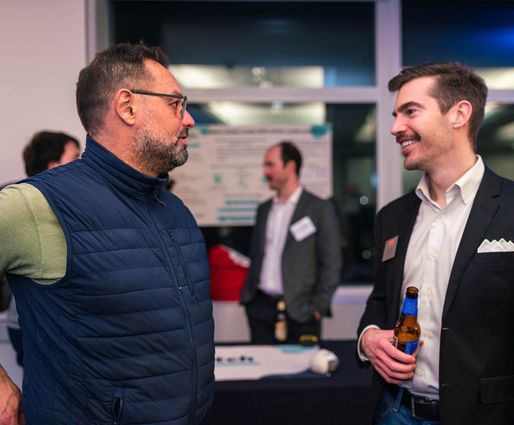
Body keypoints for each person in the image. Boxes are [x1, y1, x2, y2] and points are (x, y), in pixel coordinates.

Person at [0, 42, 214, 425]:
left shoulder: (176, 211)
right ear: (127, 106)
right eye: (175, 104)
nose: (189, 120)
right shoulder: (37, 204)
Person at [357, 62, 514, 425]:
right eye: (395, 115)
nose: (395, 128)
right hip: (394, 411)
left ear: (459, 114)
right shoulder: (391, 218)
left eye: (410, 112)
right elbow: (380, 301)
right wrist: (369, 339)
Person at [241, 142, 342, 344]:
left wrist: (319, 307)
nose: (265, 171)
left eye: (270, 165)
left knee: (302, 374)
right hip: (260, 308)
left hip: (301, 311)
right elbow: (257, 255)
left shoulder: (319, 209)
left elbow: (332, 262)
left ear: (290, 166)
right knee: (261, 372)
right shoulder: (263, 209)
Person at [4, 131, 81, 368]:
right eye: (75, 158)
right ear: (53, 167)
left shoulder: (74, 205)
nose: (82, 166)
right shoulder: (19, 209)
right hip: (34, 327)